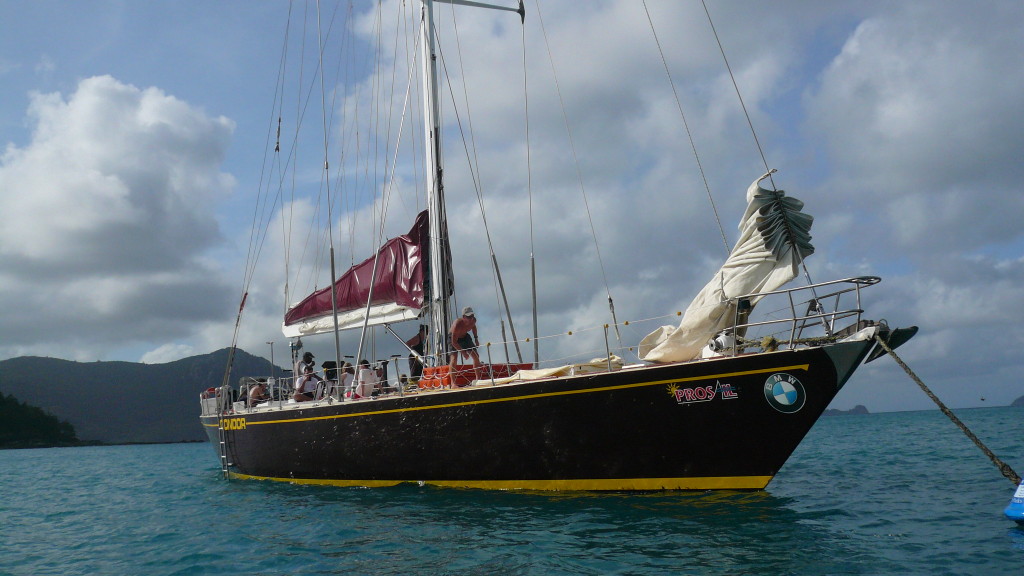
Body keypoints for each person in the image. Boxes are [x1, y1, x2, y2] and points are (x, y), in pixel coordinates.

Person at [449, 306, 481, 384]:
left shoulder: (473, 321)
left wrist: (476, 338)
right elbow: (454, 342)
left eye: (472, 316)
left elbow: (474, 328)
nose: (471, 319)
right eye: (469, 317)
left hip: (465, 336)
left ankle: (478, 379)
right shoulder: (457, 324)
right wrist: (463, 352)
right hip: (454, 338)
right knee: (454, 359)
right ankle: (453, 383)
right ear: (464, 317)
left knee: (476, 356)